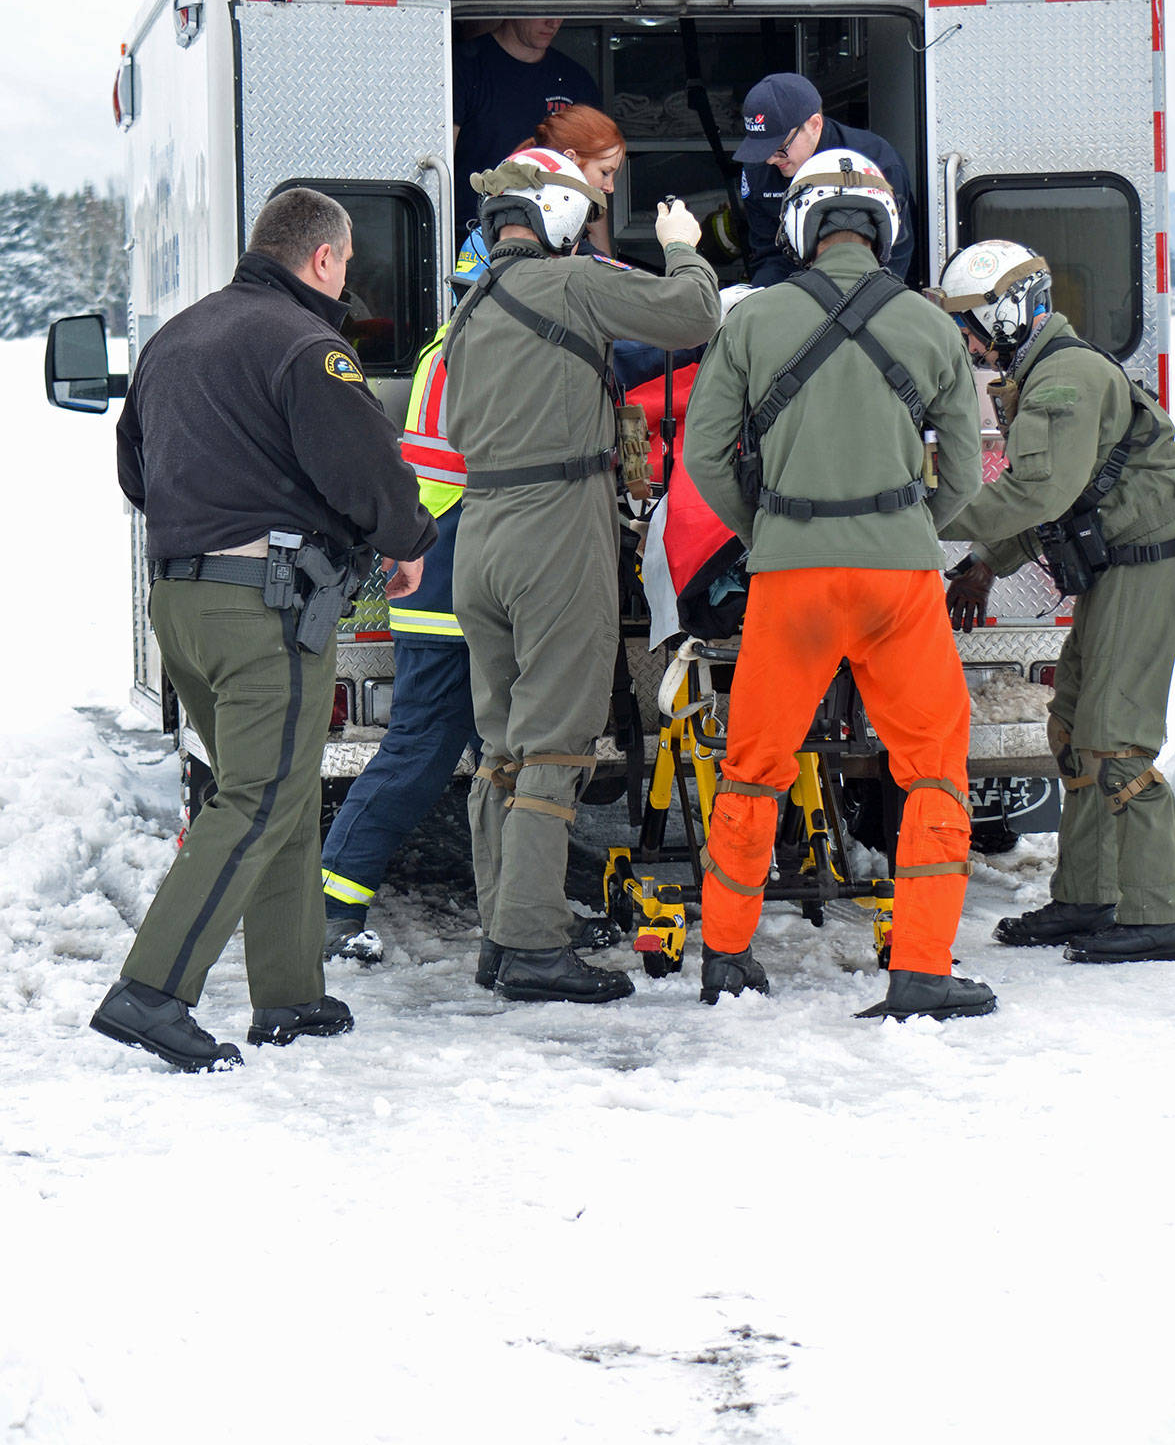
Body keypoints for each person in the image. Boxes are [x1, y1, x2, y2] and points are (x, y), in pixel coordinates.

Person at [93, 188, 436, 1072]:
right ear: (322, 258)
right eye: (348, 263)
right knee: (256, 797)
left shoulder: (179, 336)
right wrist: (407, 543)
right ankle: (152, 992)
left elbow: (136, 471)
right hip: (263, 607)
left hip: (180, 605)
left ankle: (290, 995)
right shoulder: (307, 347)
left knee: (279, 789)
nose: (348, 278)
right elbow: (366, 468)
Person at [683, 148, 995, 1020]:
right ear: (884, 231)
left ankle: (728, 956)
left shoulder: (752, 321)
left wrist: (768, 530)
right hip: (900, 578)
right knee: (933, 768)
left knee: (752, 767)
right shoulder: (932, 326)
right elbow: (964, 475)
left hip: (790, 579)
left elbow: (706, 457)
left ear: (799, 227)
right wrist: (905, 528)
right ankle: (922, 970)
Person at [443, 148, 721, 1003]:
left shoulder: (472, 306)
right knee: (556, 747)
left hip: (479, 535)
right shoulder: (569, 286)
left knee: (499, 750)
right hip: (553, 530)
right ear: (561, 218)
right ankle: (532, 945)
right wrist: (683, 247)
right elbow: (695, 313)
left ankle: (501, 931)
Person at [937, 239, 1175, 963]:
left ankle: (1161, 916)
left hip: (1149, 568)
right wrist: (987, 565)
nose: (967, 340)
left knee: (1116, 739)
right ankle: (1087, 897)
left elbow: (1038, 492)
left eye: (971, 322)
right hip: (1118, 568)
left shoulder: (1067, 378)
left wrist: (930, 517)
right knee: (1073, 728)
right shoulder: (1047, 375)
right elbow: (1063, 507)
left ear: (1005, 314)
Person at [319, 321, 481, 966]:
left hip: (440, 561)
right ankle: (336, 904)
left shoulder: (451, 338)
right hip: (449, 573)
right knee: (426, 747)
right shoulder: (492, 340)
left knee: (476, 751)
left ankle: (528, 916)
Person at [734, 72, 915, 286]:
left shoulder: (876, 164)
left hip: (870, 289)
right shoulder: (758, 171)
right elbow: (769, 255)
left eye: (779, 147)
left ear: (814, 124)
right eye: (761, 148)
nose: (770, 159)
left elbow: (896, 256)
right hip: (795, 293)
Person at [451, 19, 600, 252]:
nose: (553, 22)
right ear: (516, 4)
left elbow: (593, 178)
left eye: (560, 11)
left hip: (562, 243)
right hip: (476, 240)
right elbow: (440, 163)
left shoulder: (576, 81)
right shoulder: (462, 68)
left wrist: (608, 260)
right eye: (542, 10)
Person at [454, 105, 626, 278]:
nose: (610, 187)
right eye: (605, 172)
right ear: (570, 160)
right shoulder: (484, 241)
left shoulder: (485, 234)